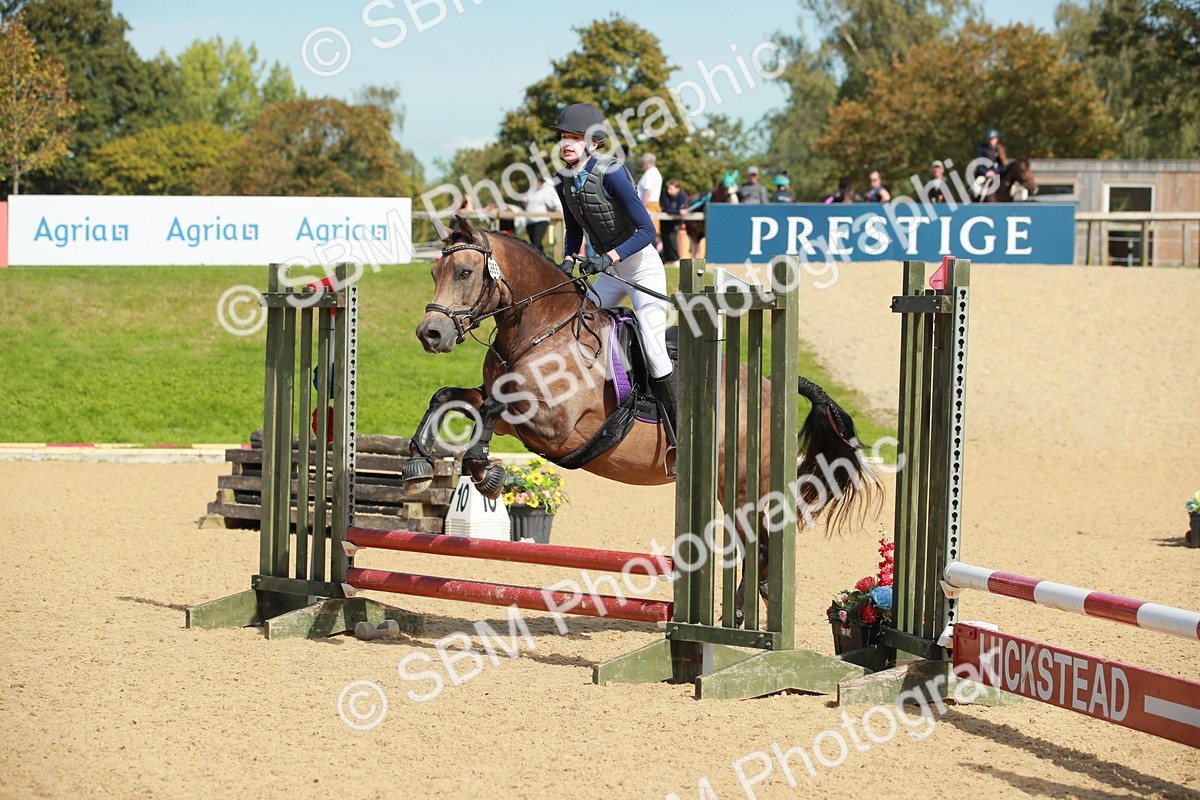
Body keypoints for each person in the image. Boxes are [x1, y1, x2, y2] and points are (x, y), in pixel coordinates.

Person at [550, 102, 677, 440]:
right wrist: (567, 259)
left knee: (654, 347)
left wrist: (608, 258)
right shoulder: (563, 179)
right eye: (563, 136)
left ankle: (682, 433)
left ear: (593, 142)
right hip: (610, 270)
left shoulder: (613, 172)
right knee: (577, 324)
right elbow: (574, 229)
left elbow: (647, 230)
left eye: (574, 137)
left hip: (641, 267)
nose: (566, 143)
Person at [523, 174, 560, 253]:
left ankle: (540, 260)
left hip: (541, 220)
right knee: (533, 244)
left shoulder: (546, 191)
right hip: (530, 220)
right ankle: (542, 259)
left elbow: (552, 203)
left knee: (537, 242)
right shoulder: (531, 190)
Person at [659, 179, 688, 265]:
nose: (669, 190)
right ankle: (667, 259)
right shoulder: (665, 195)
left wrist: (678, 211)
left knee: (672, 237)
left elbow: (682, 208)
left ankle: (675, 259)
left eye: (671, 188)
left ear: (678, 188)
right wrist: (678, 211)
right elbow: (667, 209)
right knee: (665, 238)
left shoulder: (682, 195)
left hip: (676, 222)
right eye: (668, 188)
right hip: (665, 221)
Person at [974, 128, 1007, 197]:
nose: (992, 140)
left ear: (997, 139)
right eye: (990, 139)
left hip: (998, 175)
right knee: (975, 186)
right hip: (984, 175)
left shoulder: (1000, 149)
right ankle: (974, 202)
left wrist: (995, 172)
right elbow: (979, 165)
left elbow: (1003, 165)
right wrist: (986, 172)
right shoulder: (982, 149)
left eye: (993, 138)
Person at [636, 153, 663, 236]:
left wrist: (642, 207)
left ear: (646, 162)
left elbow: (648, 191)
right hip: (649, 204)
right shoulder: (652, 172)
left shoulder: (651, 173)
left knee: (648, 232)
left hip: (649, 205)